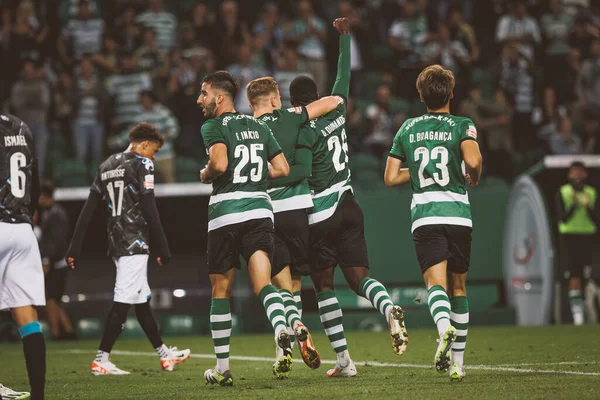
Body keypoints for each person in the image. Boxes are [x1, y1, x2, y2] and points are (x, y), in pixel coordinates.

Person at [289, 18, 408, 378]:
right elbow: (344, 79)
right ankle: (388, 308)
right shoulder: (338, 108)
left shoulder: (299, 126)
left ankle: (344, 361)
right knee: (360, 279)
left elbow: (299, 170)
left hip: (320, 212)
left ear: (296, 102)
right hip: (350, 204)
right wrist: (344, 38)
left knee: (324, 286)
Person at [384, 65, 483, 382]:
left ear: (421, 95)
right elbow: (475, 161)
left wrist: (417, 170)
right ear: (451, 94)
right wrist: (473, 178)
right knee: (459, 287)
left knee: (435, 286)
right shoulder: (462, 125)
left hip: (426, 216)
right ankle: (458, 365)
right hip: (458, 215)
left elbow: (389, 178)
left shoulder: (408, 128)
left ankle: (444, 329)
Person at [66, 122, 190, 375]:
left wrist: (74, 246)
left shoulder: (107, 164)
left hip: (115, 240)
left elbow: (88, 209)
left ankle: (165, 355)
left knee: (141, 300)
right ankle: (101, 360)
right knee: (123, 300)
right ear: (144, 144)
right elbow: (149, 207)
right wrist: (162, 245)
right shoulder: (142, 164)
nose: (154, 157)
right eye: (154, 151)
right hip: (135, 241)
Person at [197, 71, 291, 386]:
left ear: (219, 97)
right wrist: (252, 176)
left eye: (204, 93)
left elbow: (220, 165)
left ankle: (222, 368)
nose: (200, 100)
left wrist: (205, 172)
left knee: (220, 290)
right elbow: (282, 168)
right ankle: (281, 327)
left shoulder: (211, 126)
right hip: (260, 211)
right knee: (263, 283)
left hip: (225, 215)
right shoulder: (258, 125)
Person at [246, 73, 341, 369]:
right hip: (299, 211)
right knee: (296, 281)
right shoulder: (290, 116)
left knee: (278, 283)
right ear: (275, 99)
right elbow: (329, 103)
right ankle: (294, 331)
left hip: (267, 212)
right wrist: (339, 99)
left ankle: (289, 333)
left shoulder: (246, 129)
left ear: (251, 104)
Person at [0, 113, 45, 399]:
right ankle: (38, 395)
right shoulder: (21, 126)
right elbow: (36, 183)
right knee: (26, 315)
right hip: (23, 230)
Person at [555, 162, 599, 325]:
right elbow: (562, 217)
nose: (577, 176)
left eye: (580, 173)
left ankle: (590, 311)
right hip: (569, 237)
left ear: (585, 175)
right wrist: (574, 205)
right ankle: (578, 315)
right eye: (574, 173)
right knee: (574, 276)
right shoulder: (563, 192)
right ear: (569, 175)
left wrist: (588, 207)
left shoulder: (592, 193)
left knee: (589, 275)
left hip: (588, 237)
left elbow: (597, 219)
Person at [38, 181, 76, 341]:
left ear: (44, 196)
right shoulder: (50, 212)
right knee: (53, 299)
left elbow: (57, 241)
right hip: (55, 262)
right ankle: (68, 331)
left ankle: (56, 332)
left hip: (58, 263)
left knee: (51, 299)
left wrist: (47, 260)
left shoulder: (56, 214)